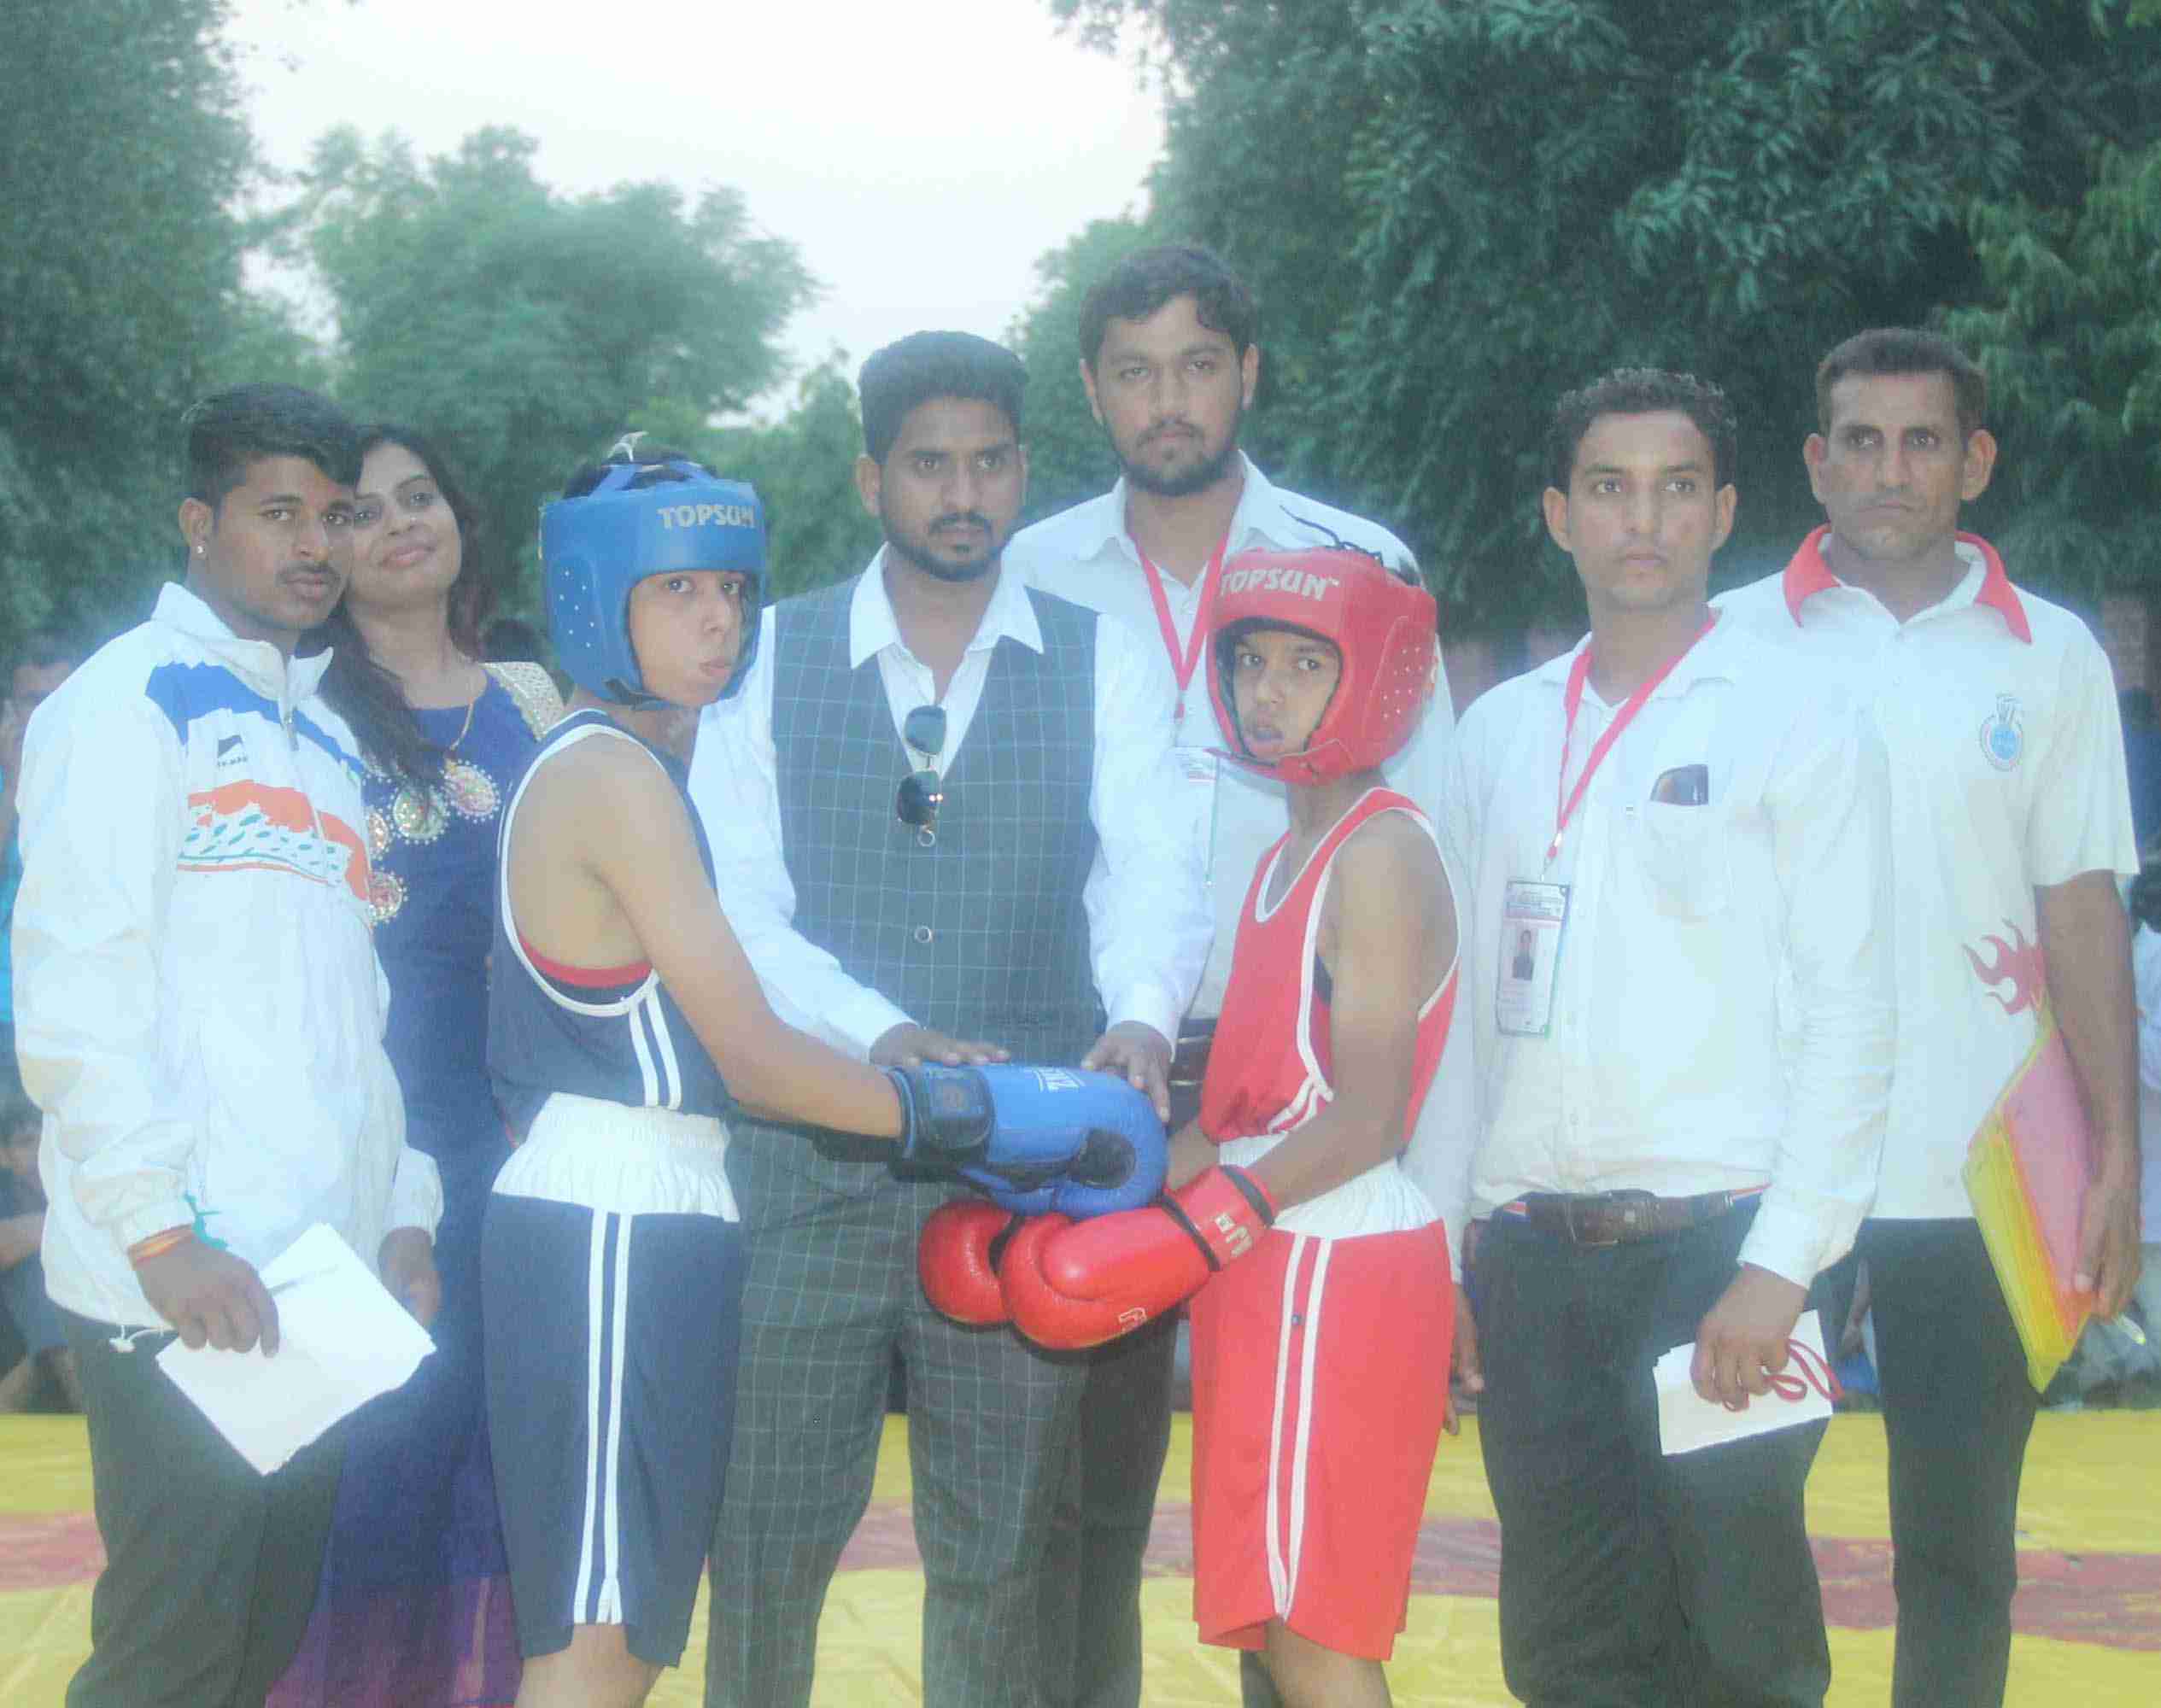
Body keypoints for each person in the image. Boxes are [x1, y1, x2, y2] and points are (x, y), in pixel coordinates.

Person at [490, 436, 1157, 1708]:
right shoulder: (610, 778)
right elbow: (752, 1056)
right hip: (610, 1220)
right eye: (677, 589)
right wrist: (977, 1113)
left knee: (628, 1633)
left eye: (733, 589)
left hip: (670, 1210)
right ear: (596, 598)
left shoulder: (645, 769)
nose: (720, 620)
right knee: (594, 1639)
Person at [688, 330, 1209, 1708]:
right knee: (764, 1557)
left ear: (1025, 472)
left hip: (1019, 1180)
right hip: (809, 1174)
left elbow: (1154, 863)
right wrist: (884, 1038)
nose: (962, 492)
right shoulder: (771, 652)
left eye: (988, 462)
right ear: (872, 478)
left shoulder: (1103, 662)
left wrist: (1147, 1014)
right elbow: (735, 907)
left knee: (1000, 1564)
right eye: (930, 464)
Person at [1001, 240, 1465, 1708]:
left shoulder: (1358, 571)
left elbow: (1401, 979)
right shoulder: (1029, 570)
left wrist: (1421, 1219)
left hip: (1311, 1149)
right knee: (1136, 1529)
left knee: (1309, 1590)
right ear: (1093, 389)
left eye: (1198, 362)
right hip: (1139, 1081)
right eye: (1133, 370)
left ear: (1249, 372)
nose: (1169, 398)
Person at [1444, 369, 1895, 1705]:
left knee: (1739, 1641)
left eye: (1674, 486)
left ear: (1723, 512)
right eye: (1607, 486)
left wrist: (1779, 1267)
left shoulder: (1798, 714)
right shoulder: (1496, 733)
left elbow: (1850, 1011)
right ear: (1556, 514)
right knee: (1567, 1639)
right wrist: (1452, 1247)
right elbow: (1465, 1012)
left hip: (1720, 1253)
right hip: (1529, 1256)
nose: (1641, 518)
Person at [1718, 328, 2142, 1705]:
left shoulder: (2053, 655)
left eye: (1918, 440)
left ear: (1973, 461)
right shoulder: (1730, 641)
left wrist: (2120, 1155)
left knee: (1958, 1546)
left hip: (1978, 1167)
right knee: (1729, 1519)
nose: (1886, 469)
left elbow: (2078, 911)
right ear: (1811, 460)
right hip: (1766, 1162)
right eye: (1857, 438)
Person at [15, 383, 446, 1708]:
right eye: (280, 514)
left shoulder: (323, 735)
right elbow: (79, 990)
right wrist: (160, 1235)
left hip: (314, 1275)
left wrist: (403, 1212)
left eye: (337, 515)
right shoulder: (122, 702)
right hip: (186, 1279)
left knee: (256, 1644)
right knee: (171, 1654)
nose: (316, 545)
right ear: (198, 523)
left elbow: (359, 1017)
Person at [267, 427, 561, 1708]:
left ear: (459, 517)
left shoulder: (536, 703)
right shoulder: (293, 712)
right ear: (323, 544)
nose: (397, 524)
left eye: (419, 496)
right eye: (359, 509)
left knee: (497, 1476)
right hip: (364, 1156)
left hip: (522, 1148)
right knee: (358, 1479)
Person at [0, 626, 85, 1071]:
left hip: (73, 1013)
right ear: (10, 708)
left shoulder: (101, 778)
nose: (43, 713)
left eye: (56, 698)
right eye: (32, 700)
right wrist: (14, 785)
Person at [0, 1074, 80, 1411]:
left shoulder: (77, 1177)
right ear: (5, 1157)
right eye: (28, 1141)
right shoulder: (6, 1193)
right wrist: (73, 1220)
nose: (41, 1149)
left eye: (46, 1137)